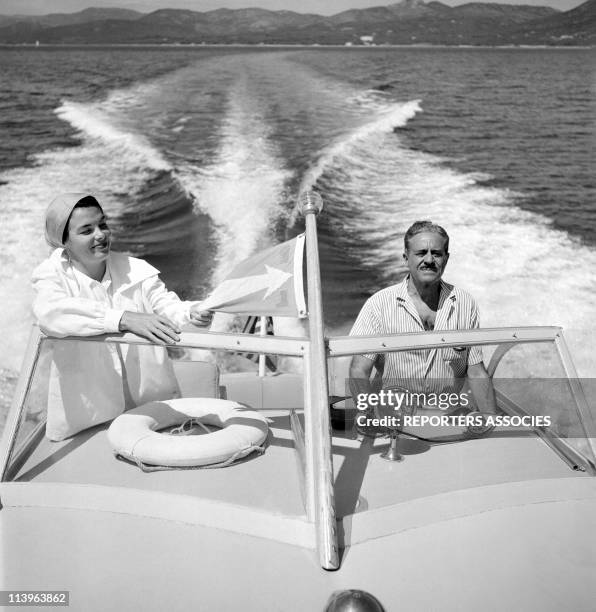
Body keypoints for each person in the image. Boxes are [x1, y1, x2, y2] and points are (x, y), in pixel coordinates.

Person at [32, 193, 213, 441]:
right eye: (86, 230)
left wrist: (192, 313)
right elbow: (51, 313)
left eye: (102, 224)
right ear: (64, 241)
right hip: (87, 421)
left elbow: (168, 306)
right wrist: (123, 319)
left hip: (151, 410)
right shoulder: (50, 276)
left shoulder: (135, 269)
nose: (101, 235)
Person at [349, 220, 496, 436]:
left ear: (446, 258)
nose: (429, 259)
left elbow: (475, 370)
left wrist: (490, 421)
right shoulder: (379, 304)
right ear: (406, 258)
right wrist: (368, 414)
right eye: (421, 253)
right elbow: (359, 369)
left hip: (448, 417)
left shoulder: (465, 303)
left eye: (436, 253)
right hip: (392, 418)